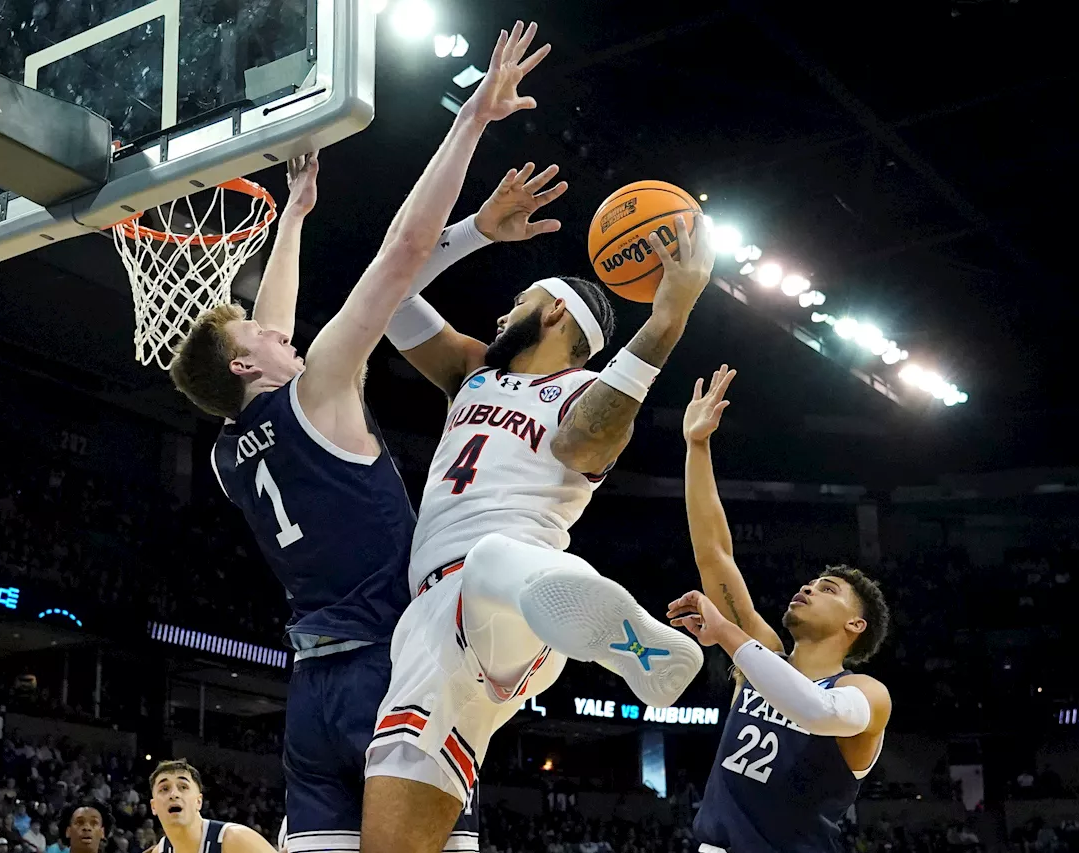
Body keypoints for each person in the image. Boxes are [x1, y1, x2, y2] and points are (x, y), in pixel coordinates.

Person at [166, 20, 559, 853]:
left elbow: (265, 326)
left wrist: (296, 221)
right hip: (399, 669)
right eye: (264, 339)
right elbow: (403, 250)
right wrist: (473, 121)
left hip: (312, 692)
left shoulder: (229, 451)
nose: (284, 334)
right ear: (245, 368)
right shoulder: (319, 391)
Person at [360, 32, 715, 853]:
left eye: (516, 297)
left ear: (554, 311)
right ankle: (601, 620)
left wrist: (668, 319)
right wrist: (477, 232)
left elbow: (589, 443)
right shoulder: (470, 376)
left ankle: (620, 632)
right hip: (431, 621)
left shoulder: (586, 395)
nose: (496, 313)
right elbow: (388, 283)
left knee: (492, 560)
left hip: (510, 596)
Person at [666, 365, 893, 853]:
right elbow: (715, 553)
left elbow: (814, 710)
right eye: (810, 582)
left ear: (857, 624)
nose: (808, 588)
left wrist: (726, 633)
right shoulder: (761, 658)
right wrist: (697, 447)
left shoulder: (865, 693)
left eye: (828, 589)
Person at [146, 761, 273, 853]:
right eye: (164, 789)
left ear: (199, 801)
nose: (174, 794)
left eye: (183, 787)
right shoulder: (159, 851)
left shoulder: (234, 839)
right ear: (153, 806)